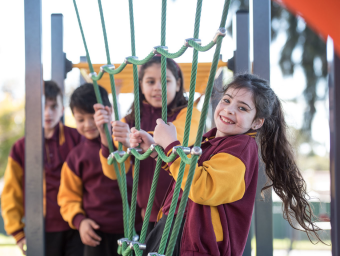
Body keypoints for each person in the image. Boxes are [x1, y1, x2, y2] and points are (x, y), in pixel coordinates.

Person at [130, 74, 322, 256]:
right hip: (176, 229)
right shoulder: (210, 141)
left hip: (198, 243)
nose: (229, 110)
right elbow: (187, 173)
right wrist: (156, 151)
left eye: (243, 108)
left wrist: (172, 146)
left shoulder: (239, 149)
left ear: (256, 122)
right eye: (227, 100)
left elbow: (202, 187)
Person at [94, 56, 200, 235]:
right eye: (150, 81)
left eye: (166, 81)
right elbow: (114, 172)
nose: (158, 87)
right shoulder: (129, 121)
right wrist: (105, 135)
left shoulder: (190, 114)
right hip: (147, 217)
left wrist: (134, 140)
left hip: (183, 213)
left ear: (178, 83)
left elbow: (176, 137)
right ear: (141, 85)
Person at [58, 83, 142, 256]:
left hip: (133, 229)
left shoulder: (124, 142)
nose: (88, 124)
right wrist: (80, 221)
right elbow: (68, 197)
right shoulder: (76, 157)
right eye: (81, 120)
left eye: (93, 117)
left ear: (108, 112)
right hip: (97, 233)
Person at [1, 81, 83, 256]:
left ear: (62, 110)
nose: (48, 112)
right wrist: (17, 232)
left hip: (77, 225)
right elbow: (11, 192)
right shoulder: (20, 148)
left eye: (54, 106)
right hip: (41, 229)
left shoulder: (77, 138)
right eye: (43, 106)